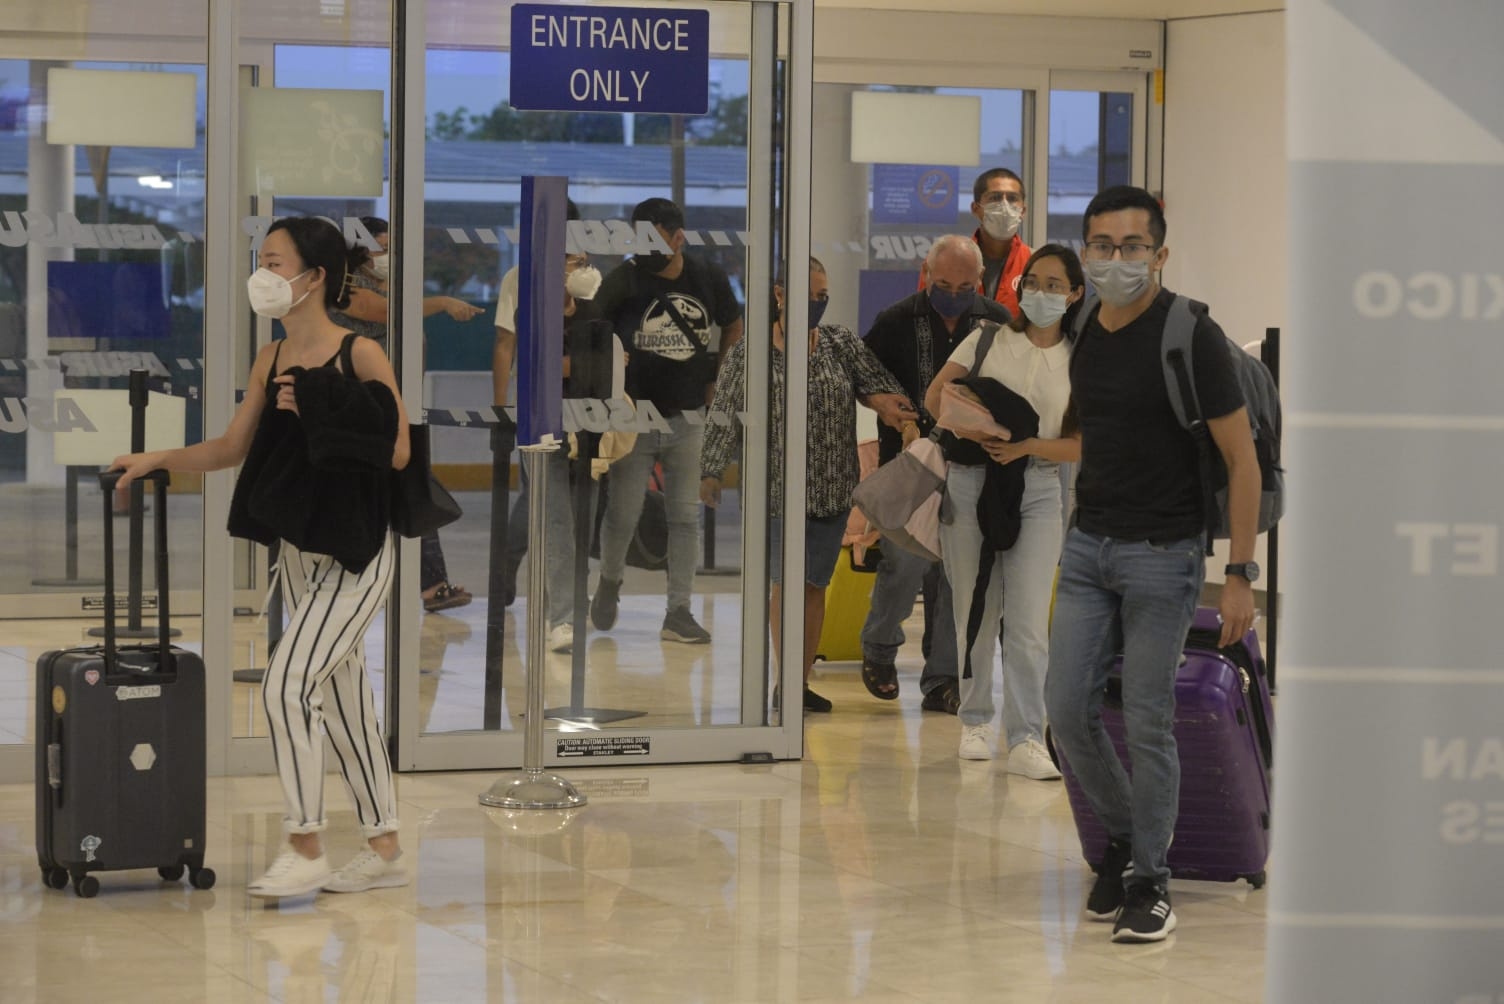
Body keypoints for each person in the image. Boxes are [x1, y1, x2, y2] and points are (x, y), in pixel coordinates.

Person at [111, 217, 416, 897]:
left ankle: (305, 841)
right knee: (344, 696)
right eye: (261, 260)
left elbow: (397, 451)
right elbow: (229, 448)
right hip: (303, 553)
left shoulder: (359, 354)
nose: (264, 273)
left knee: (284, 684)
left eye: (274, 261)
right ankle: (385, 846)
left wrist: (320, 410)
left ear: (315, 277)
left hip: (359, 554)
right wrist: (157, 457)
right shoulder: (270, 358)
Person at [1044, 186, 1259, 944]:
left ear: (1159, 255)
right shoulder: (1085, 325)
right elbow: (1093, 431)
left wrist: (1240, 573)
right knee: (1067, 710)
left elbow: (1243, 460)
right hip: (1087, 545)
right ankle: (1130, 836)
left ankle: (1150, 882)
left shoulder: (1190, 333)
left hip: (1164, 555)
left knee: (1147, 719)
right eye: (1101, 246)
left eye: (1132, 247)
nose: (1115, 260)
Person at [700, 258, 913, 713]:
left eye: (822, 296)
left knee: (814, 585)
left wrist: (896, 410)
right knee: (785, 584)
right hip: (777, 491)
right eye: (808, 295)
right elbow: (724, 413)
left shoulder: (839, 342)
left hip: (832, 487)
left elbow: (876, 385)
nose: (817, 304)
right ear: (780, 295)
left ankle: (798, 683)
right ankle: (785, 677)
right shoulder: (750, 352)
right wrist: (711, 470)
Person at [923, 245, 1084, 776]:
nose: (1040, 293)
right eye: (1032, 282)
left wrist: (1027, 446)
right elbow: (934, 398)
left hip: (1038, 489)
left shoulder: (1081, 357)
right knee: (974, 605)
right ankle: (975, 719)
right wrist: (980, 427)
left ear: (1075, 294)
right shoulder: (988, 337)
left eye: (1055, 285)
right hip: (972, 482)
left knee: (1029, 620)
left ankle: (1027, 735)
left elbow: (1085, 442)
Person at [858, 234, 1010, 713]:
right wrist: (888, 411)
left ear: (979, 282)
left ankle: (942, 677)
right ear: (925, 272)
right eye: (942, 283)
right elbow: (865, 380)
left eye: (964, 286)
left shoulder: (998, 324)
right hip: (911, 461)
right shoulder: (896, 320)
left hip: (973, 465)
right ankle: (880, 649)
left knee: (955, 573)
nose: (952, 292)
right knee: (904, 563)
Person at [589, 198, 744, 644]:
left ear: (679, 237)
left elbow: (733, 325)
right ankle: (610, 582)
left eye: (656, 240)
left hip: (689, 415)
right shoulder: (624, 279)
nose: (646, 250)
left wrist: (721, 375)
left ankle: (678, 610)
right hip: (634, 416)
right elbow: (594, 333)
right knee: (623, 511)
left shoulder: (707, 276)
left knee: (684, 517)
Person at [330, 215, 483, 613]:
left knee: (408, 486)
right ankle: (423, 584)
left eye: (390, 247)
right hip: (355, 407)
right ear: (359, 252)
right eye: (380, 247)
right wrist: (444, 302)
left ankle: (431, 584)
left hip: (392, 406)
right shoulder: (345, 287)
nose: (386, 255)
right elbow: (382, 313)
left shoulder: (393, 288)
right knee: (405, 485)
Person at [488, 201, 615, 652]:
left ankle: (553, 597)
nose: (567, 259)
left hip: (593, 420)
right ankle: (563, 616)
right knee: (555, 517)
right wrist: (502, 407)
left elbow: (613, 354)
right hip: (541, 413)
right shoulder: (520, 280)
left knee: (581, 518)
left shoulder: (595, 287)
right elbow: (510, 344)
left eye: (573, 249)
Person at [917, 168, 1032, 318]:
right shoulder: (943, 260)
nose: (1004, 206)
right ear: (975, 208)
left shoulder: (1036, 264)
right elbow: (924, 316)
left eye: (1012, 198)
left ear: (1023, 211)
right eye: (995, 198)